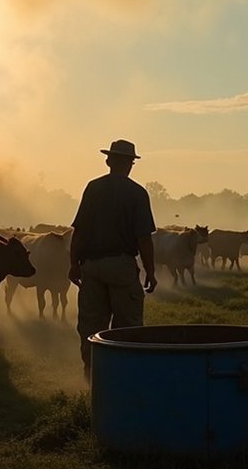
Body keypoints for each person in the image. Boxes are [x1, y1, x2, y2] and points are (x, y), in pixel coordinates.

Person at [68, 139, 157, 381]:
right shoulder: (137, 193)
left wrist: (74, 264)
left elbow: (79, 231)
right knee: (127, 326)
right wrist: (150, 271)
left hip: (91, 266)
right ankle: (125, 379)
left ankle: (92, 378)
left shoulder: (93, 188)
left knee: (91, 326)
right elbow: (143, 238)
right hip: (121, 266)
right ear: (130, 164)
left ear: (108, 161)